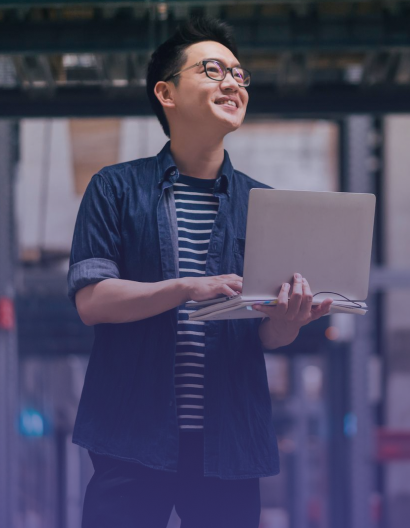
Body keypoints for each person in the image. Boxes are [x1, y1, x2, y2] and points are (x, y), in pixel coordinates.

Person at [68, 16, 333, 528]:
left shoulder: (265, 206)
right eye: (213, 70)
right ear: (165, 92)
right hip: (131, 435)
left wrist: (289, 320)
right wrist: (187, 288)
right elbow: (92, 300)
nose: (233, 82)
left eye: (239, 74)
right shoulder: (115, 188)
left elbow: (268, 335)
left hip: (229, 442)